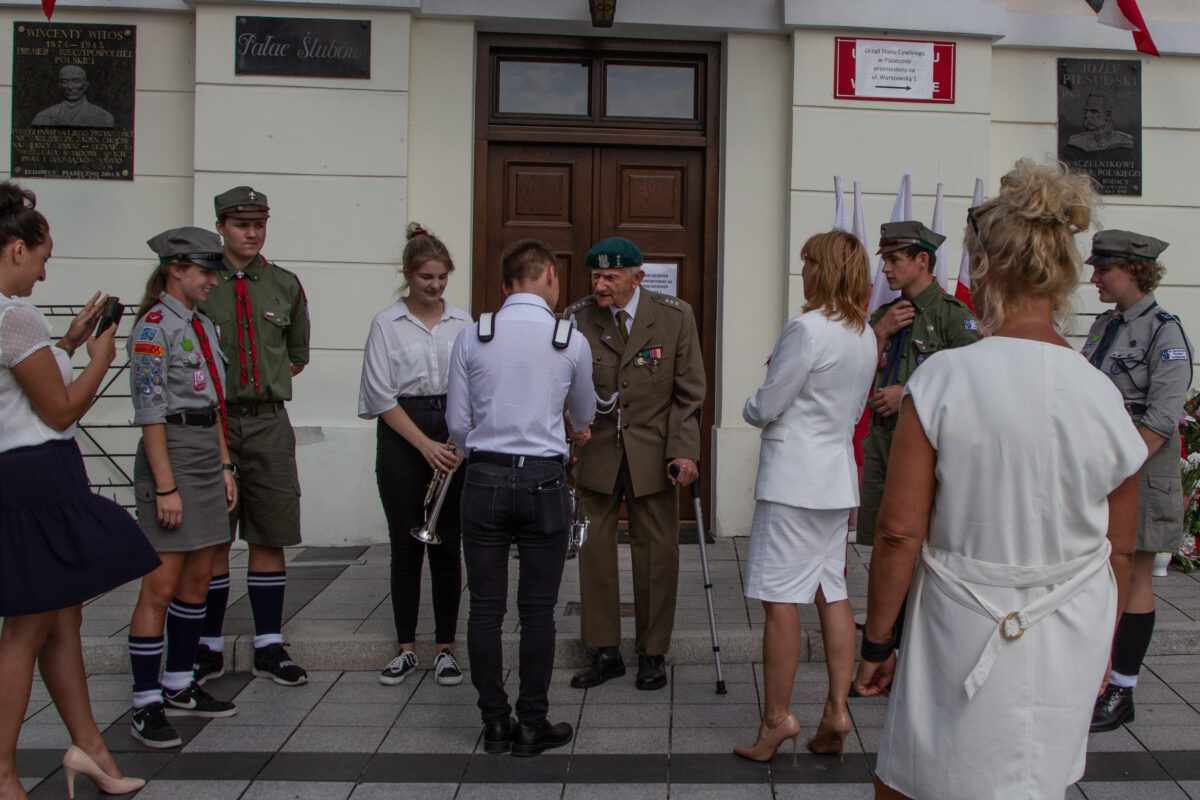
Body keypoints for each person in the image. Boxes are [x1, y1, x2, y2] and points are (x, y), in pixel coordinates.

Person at [853, 159, 1146, 800]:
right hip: (1069, 624)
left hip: (960, 622)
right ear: (1063, 274)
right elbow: (1120, 549)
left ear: (983, 269)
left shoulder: (944, 380)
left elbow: (899, 532)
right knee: (1033, 780)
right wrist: (1106, 649)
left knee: (914, 783)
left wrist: (876, 642)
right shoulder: (1102, 396)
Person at [0, 181, 156, 798]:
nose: (43, 273)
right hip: (37, 478)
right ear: (16, 249)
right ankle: (4, 773)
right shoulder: (15, 315)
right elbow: (61, 411)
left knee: (61, 616)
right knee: (28, 627)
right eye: (42, 259)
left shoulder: (14, 319)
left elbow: (22, 392)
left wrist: (66, 342)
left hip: (31, 474)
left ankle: (89, 748)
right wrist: (100, 355)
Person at [446, 239, 595, 757]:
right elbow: (584, 411)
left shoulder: (473, 335)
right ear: (550, 276)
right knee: (537, 612)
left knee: (484, 609)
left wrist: (488, 451)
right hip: (544, 482)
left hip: (484, 477)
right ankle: (532, 723)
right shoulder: (568, 338)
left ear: (507, 284)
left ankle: (494, 724)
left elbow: (457, 424)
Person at [734, 230, 877, 763]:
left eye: (808, 262)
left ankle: (776, 719)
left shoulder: (807, 328)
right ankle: (837, 709)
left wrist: (750, 405)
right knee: (831, 591)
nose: (804, 271)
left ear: (825, 269)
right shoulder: (864, 334)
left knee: (781, 599)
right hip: (835, 477)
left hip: (793, 480)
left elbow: (768, 404)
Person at [564, 237, 705, 692]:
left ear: (637, 277)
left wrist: (685, 450)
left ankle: (652, 652)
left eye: (610, 277)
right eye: (596, 276)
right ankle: (603, 650)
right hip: (597, 448)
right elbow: (560, 383)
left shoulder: (674, 316)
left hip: (653, 452)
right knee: (595, 551)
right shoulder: (577, 318)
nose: (600, 285)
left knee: (657, 554)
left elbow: (689, 393)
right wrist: (567, 427)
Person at [126, 227, 240, 749]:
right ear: (175, 269)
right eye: (204, 270)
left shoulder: (202, 325)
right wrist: (166, 487)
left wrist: (223, 465)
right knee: (162, 586)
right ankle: (145, 701)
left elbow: (214, 402)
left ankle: (178, 683)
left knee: (199, 578)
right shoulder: (154, 327)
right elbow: (151, 411)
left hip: (203, 455)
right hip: (168, 453)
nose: (212, 279)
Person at [194, 186, 311, 687]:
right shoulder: (200, 282)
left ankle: (268, 643)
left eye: (259, 224)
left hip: (266, 420)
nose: (251, 233)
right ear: (220, 225)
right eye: (241, 224)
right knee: (215, 535)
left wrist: (260, 383)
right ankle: (208, 644)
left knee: (270, 530)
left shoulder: (284, 284)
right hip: (212, 423)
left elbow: (297, 354)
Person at [1083, 229, 1192, 733]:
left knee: (1136, 578)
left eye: (1104, 268)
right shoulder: (1106, 325)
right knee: (1103, 578)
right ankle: (1094, 678)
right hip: (1105, 468)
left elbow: (1164, 414)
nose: (1095, 276)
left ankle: (1122, 689)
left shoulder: (1164, 332)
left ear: (1133, 269)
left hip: (1141, 472)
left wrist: (1120, 464)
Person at [358, 222, 470, 686]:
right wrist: (424, 445)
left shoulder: (465, 322)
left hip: (452, 433)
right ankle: (406, 647)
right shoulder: (387, 323)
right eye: (426, 277)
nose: (435, 285)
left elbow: (475, 386)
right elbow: (381, 395)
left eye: (442, 277)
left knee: (447, 545)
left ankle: (446, 647)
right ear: (408, 274)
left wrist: (457, 442)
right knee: (406, 544)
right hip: (404, 436)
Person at [856, 220, 979, 548]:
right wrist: (880, 333)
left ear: (922, 260)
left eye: (894, 259)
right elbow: (856, 379)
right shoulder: (884, 315)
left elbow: (971, 388)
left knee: (918, 539)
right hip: (881, 440)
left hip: (927, 444)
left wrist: (909, 396)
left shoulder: (953, 317)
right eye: (884, 260)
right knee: (882, 540)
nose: (885, 270)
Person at [30, 64, 115, 128]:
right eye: (65, 82)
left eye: (76, 81)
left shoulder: (103, 118)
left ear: (85, 86)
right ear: (60, 86)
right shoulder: (43, 117)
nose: (70, 87)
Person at [1067, 93, 1135, 153]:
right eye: (1087, 111)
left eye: (1093, 111)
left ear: (1108, 116)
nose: (1087, 116)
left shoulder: (1125, 141)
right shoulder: (1075, 141)